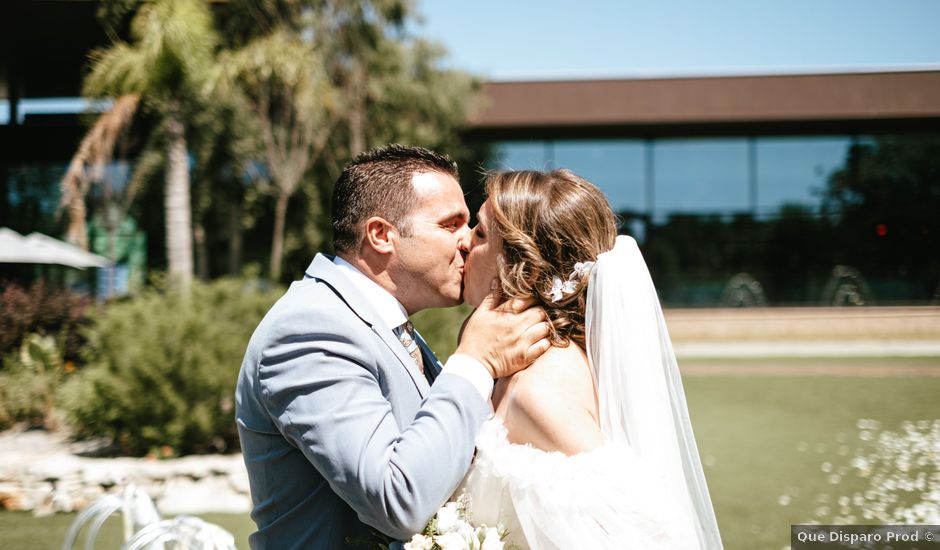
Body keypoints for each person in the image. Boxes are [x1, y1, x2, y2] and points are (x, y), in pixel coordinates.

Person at [235, 145, 551, 549]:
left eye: (470, 225)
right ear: (382, 235)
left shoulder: (389, 326)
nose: (467, 243)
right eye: (450, 224)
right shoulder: (310, 328)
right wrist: (474, 362)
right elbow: (396, 501)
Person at [456, 169, 724, 549]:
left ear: (523, 267)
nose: (464, 242)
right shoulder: (520, 365)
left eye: (480, 233)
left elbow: (654, 528)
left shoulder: (537, 390)